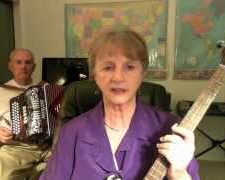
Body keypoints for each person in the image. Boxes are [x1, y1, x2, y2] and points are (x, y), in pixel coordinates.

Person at [40, 30, 199, 180]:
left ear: (142, 73)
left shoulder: (172, 129)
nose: (118, 77)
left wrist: (179, 173)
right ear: (94, 74)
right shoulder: (71, 132)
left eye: (129, 67)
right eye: (108, 67)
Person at [0, 48, 50, 180]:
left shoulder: (45, 88)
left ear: (34, 66)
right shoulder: (0, 92)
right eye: (18, 62)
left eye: (28, 62)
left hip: (46, 146)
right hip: (15, 148)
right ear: (10, 66)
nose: (23, 67)